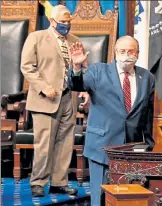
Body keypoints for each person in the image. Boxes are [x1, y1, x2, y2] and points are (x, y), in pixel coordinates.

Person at [68, 35, 155, 206]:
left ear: (137, 53)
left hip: (131, 147)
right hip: (102, 145)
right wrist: (77, 67)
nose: (126, 55)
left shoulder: (147, 77)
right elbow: (77, 85)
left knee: (129, 196)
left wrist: (148, 145)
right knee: (100, 198)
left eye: (131, 51)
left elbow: (147, 114)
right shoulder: (97, 71)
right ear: (115, 52)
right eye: (122, 51)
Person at [21, 5, 79, 197]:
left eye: (68, 21)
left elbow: (82, 69)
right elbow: (27, 67)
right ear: (52, 21)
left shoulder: (75, 41)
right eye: (62, 22)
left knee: (65, 142)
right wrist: (44, 87)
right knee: (44, 143)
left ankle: (59, 182)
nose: (66, 25)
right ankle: (38, 182)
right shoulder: (36, 38)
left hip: (68, 98)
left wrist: (82, 84)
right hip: (45, 98)